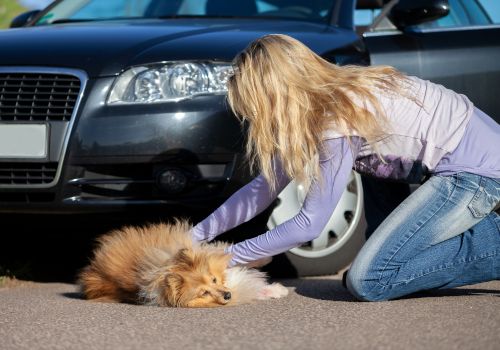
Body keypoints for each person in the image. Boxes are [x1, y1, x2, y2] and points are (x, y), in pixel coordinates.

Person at [190, 34, 500, 302]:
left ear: (278, 96)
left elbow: (310, 224)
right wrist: (193, 237)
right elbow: (262, 189)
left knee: (370, 280)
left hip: (474, 173)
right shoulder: (328, 100)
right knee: (389, 266)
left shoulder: (335, 119)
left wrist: (228, 258)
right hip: (458, 163)